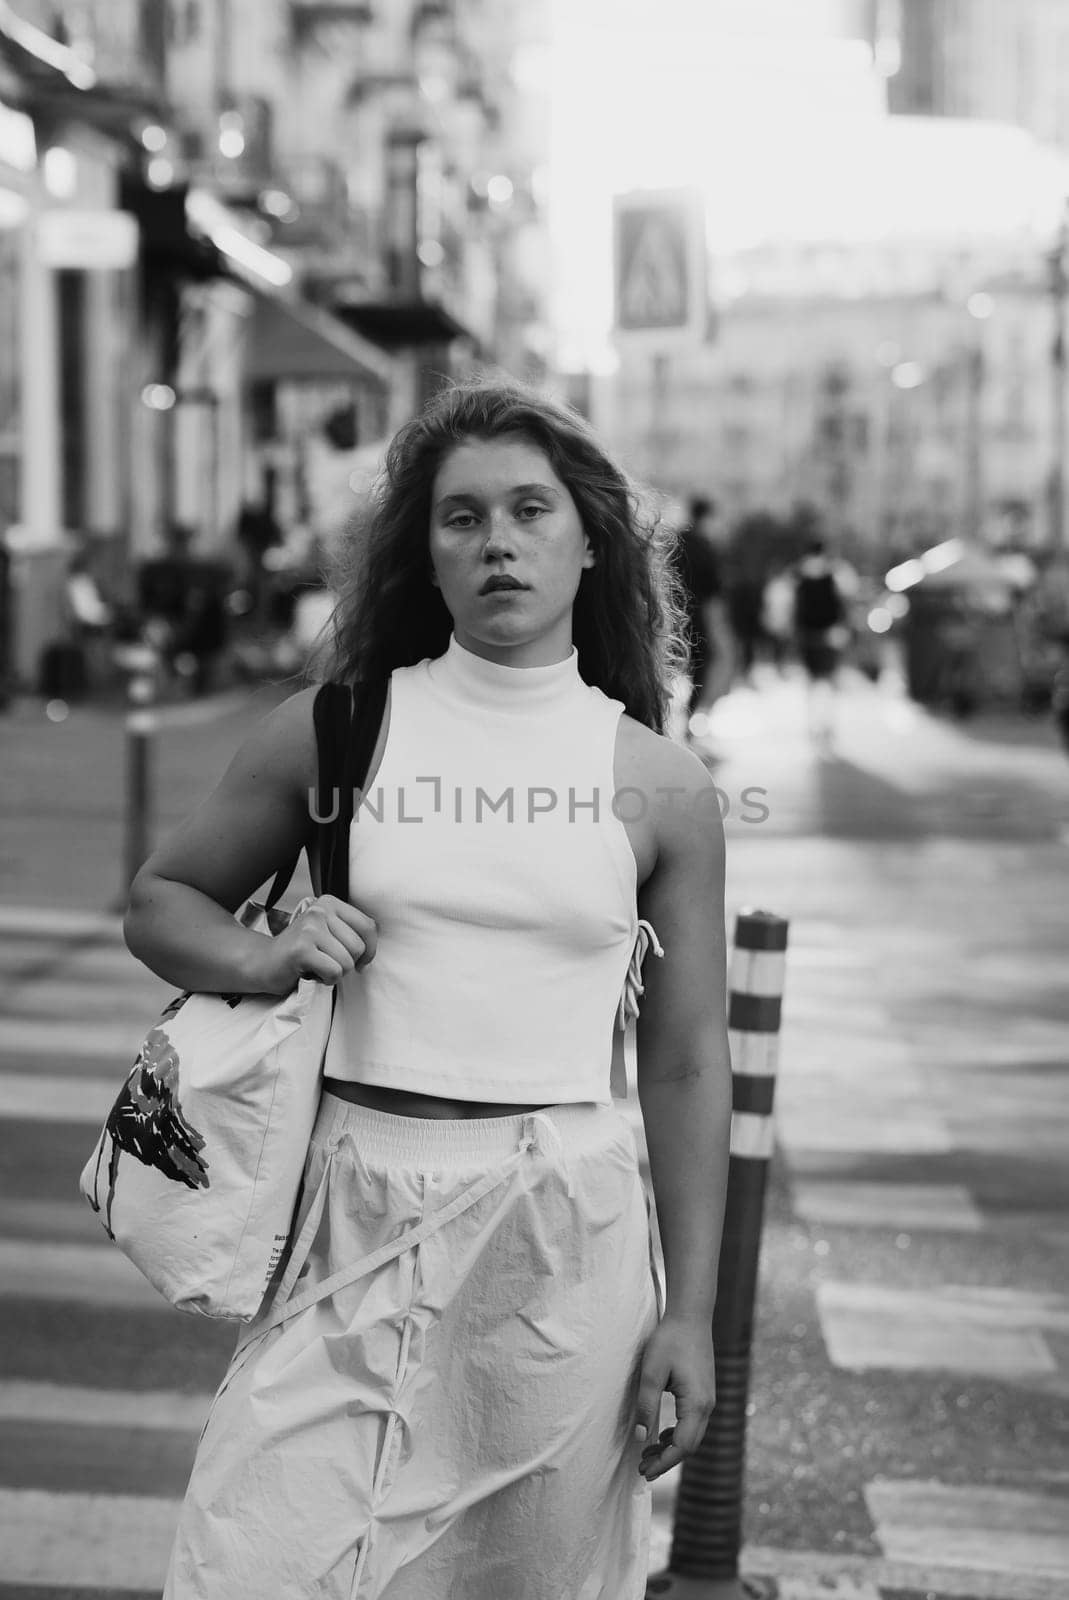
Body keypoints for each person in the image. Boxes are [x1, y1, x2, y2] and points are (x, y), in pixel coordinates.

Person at [124, 379, 732, 1599]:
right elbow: (163, 900)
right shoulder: (337, 730)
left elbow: (683, 1058)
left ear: (587, 540)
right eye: (461, 518)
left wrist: (691, 1315)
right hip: (351, 1210)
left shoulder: (657, 781)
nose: (496, 541)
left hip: (561, 1239)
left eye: (527, 510)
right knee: (253, 1562)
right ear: (428, 554)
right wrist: (269, 950)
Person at [673, 494, 732, 738]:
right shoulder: (706, 546)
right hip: (699, 616)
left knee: (672, 663)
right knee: (702, 664)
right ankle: (690, 716)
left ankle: (664, 717)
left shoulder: (676, 540)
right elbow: (714, 590)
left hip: (672, 613)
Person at [792, 536, 851, 745]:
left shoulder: (800, 573)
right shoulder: (833, 572)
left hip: (808, 633)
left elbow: (795, 607)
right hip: (829, 633)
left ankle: (812, 724)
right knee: (829, 679)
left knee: (811, 680)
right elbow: (844, 601)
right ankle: (827, 724)